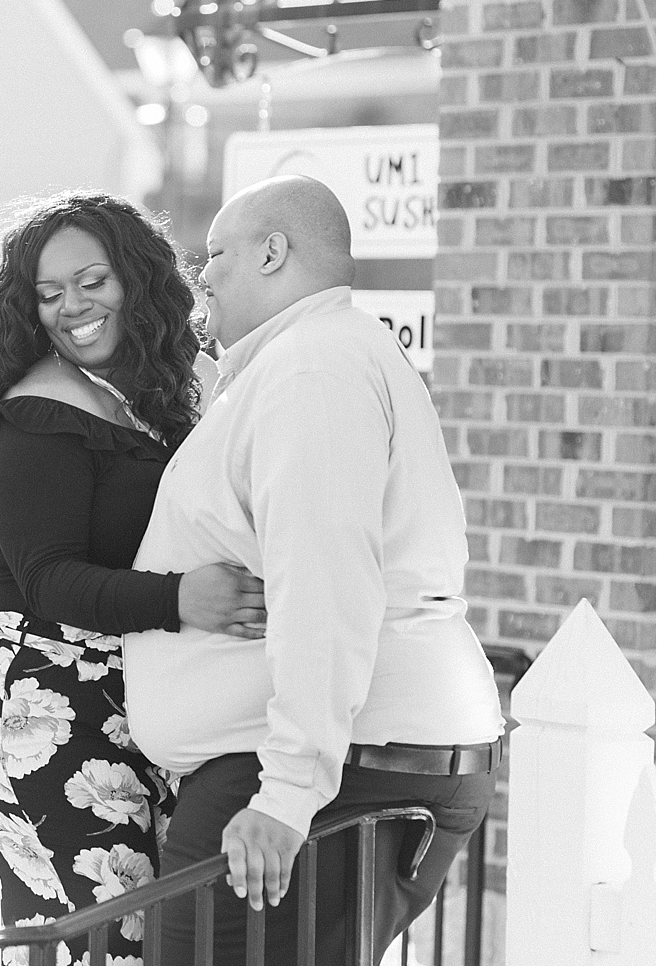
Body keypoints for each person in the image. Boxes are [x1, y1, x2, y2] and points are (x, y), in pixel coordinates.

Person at [124, 175, 505, 964]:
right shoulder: (308, 361)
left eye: (217, 255)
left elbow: (326, 581)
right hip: (344, 765)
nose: (203, 278)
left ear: (274, 251)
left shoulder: (313, 370)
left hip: (334, 776)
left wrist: (289, 794)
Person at [0, 191, 267, 965]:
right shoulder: (35, 416)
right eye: (49, 294)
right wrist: (181, 599)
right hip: (25, 688)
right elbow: (48, 579)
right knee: (110, 923)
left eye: (92, 281)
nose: (72, 308)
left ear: (135, 278)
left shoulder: (150, 394)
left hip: (106, 683)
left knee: (95, 919)